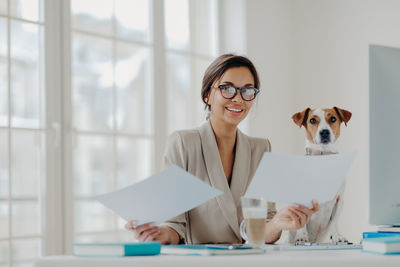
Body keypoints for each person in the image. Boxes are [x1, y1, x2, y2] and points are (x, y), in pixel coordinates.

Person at [125, 54, 319, 245]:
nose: (238, 98)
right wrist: (160, 234)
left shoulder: (260, 149)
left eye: (247, 91)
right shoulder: (183, 143)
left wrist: (278, 224)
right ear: (207, 95)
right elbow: (174, 226)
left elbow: (258, 232)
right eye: (227, 88)